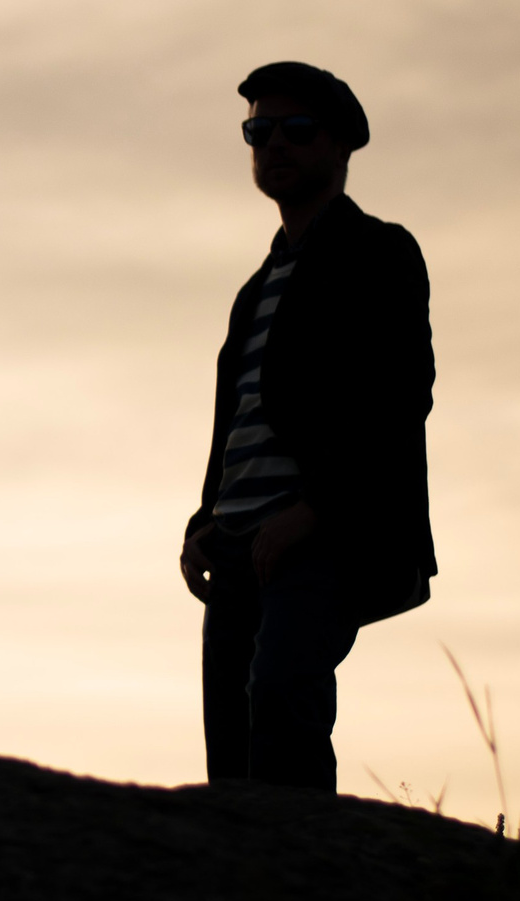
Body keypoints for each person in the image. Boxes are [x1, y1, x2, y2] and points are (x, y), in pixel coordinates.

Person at [178, 63, 435, 790]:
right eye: (258, 131)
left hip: (320, 533)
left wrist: (315, 511)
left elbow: (399, 394)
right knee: (231, 742)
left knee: (282, 697)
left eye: (296, 130)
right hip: (236, 542)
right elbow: (237, 423)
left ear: (341, 146)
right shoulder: (255, 289)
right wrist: (204, 520)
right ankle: (249, 895)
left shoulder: (378, 252)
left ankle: (311, 888)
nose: (274, 145)